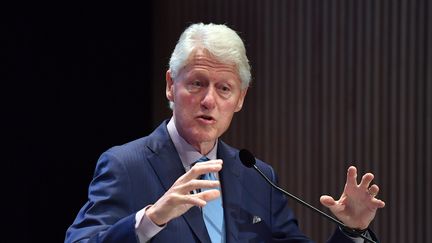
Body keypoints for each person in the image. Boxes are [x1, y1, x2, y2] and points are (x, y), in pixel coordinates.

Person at [65, 23, 385, 243]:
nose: (209, 100)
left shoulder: (257, 176)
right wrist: (152, 218)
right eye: (197, 83)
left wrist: (351, 230)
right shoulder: (125, 165)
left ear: (240, 99)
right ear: (169, 86)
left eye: (224, 88)